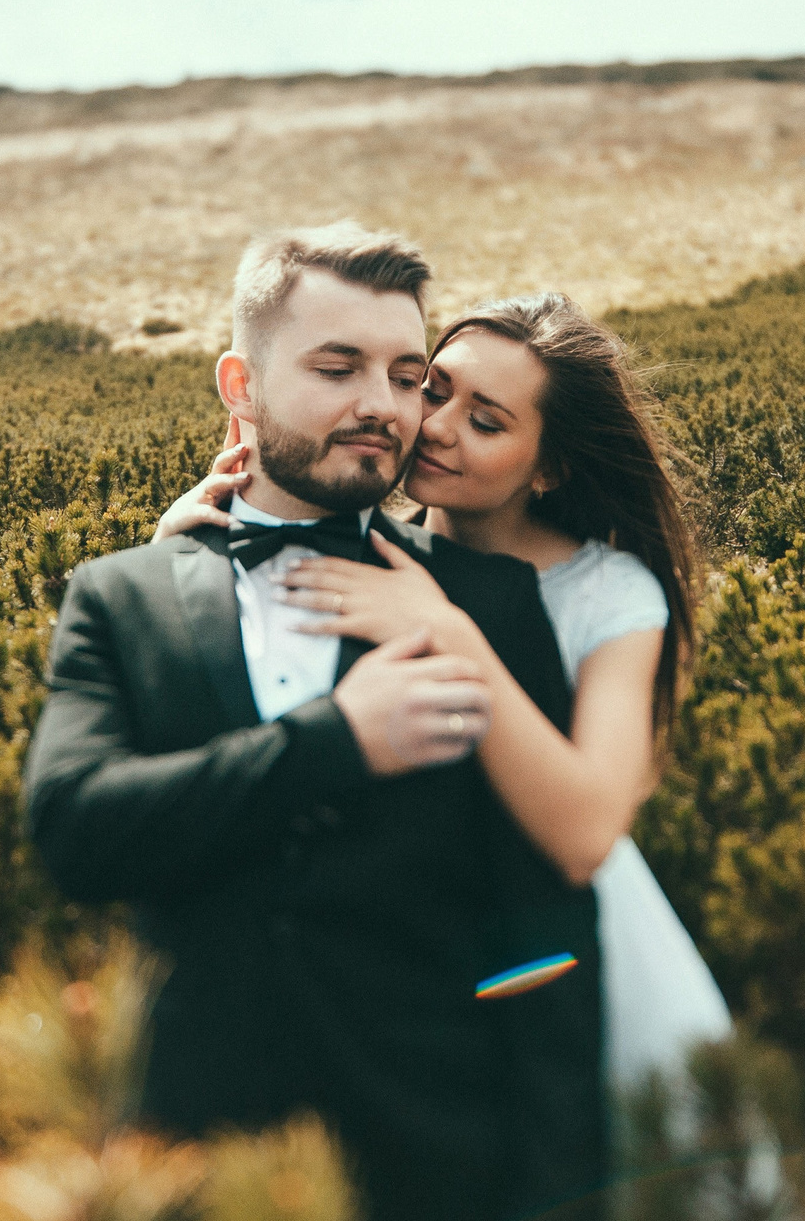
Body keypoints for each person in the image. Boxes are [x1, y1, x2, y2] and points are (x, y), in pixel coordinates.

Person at [21, 226, 608, 1221]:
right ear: (240, 387)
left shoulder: (489, 609)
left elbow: (547, 921)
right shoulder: (121, 596)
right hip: (191, 1179)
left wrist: (557, 1211)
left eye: (407, 375)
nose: (383, 407)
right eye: (338, 366)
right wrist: (332, 746)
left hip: (443, 1194)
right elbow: (74, 827)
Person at [156, 291, 732, 1115]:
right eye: (432, 389)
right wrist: (179, 556)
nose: (434, 426)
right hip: (398, 952)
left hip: (564, 956)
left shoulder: (609, 592)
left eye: (487, 422)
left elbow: (584, 836)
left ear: (551, 466)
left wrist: (449, 634)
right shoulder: (359, 534)